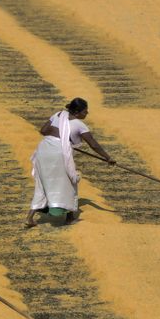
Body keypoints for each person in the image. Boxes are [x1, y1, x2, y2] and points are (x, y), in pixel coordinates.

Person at [25, 97, 115, 228]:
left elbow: (43, 131)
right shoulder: (79, 125)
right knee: (69, 183)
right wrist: (108, 158)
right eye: (85, 111)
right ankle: (69, 218)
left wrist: (61, 138)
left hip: (43, 150)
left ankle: (30, 217)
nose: (87, 113)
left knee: (43, 184)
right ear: (77, 112)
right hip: (58, 153)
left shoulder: (58, 114)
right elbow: (93, 145)